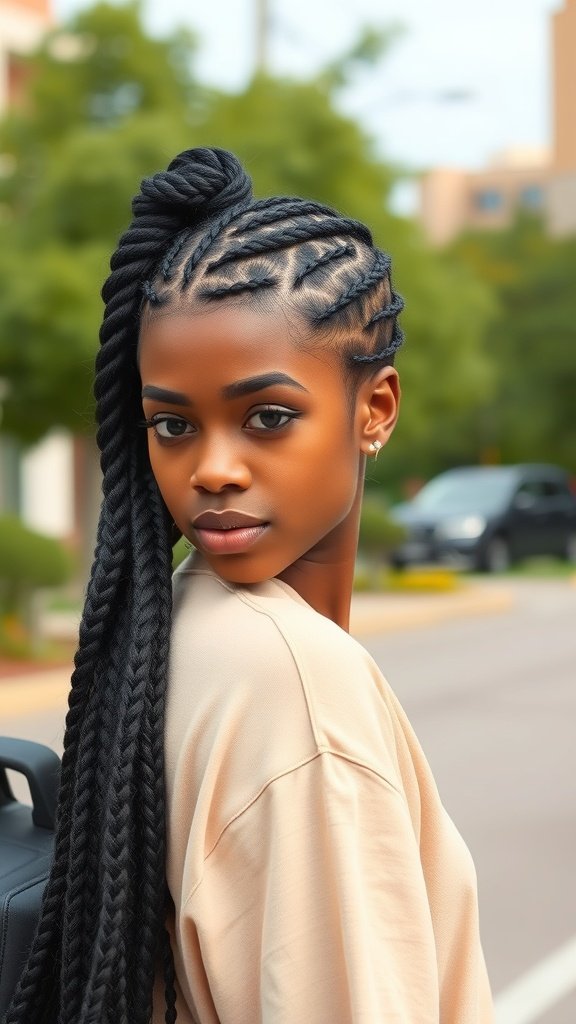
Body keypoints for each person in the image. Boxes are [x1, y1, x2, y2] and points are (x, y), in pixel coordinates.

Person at [6, 147, 493, 1024]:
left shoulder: (174, 628)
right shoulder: (292, 686)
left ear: (374, 408)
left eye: (266, 417)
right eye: (173, 424)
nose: (213, 470)